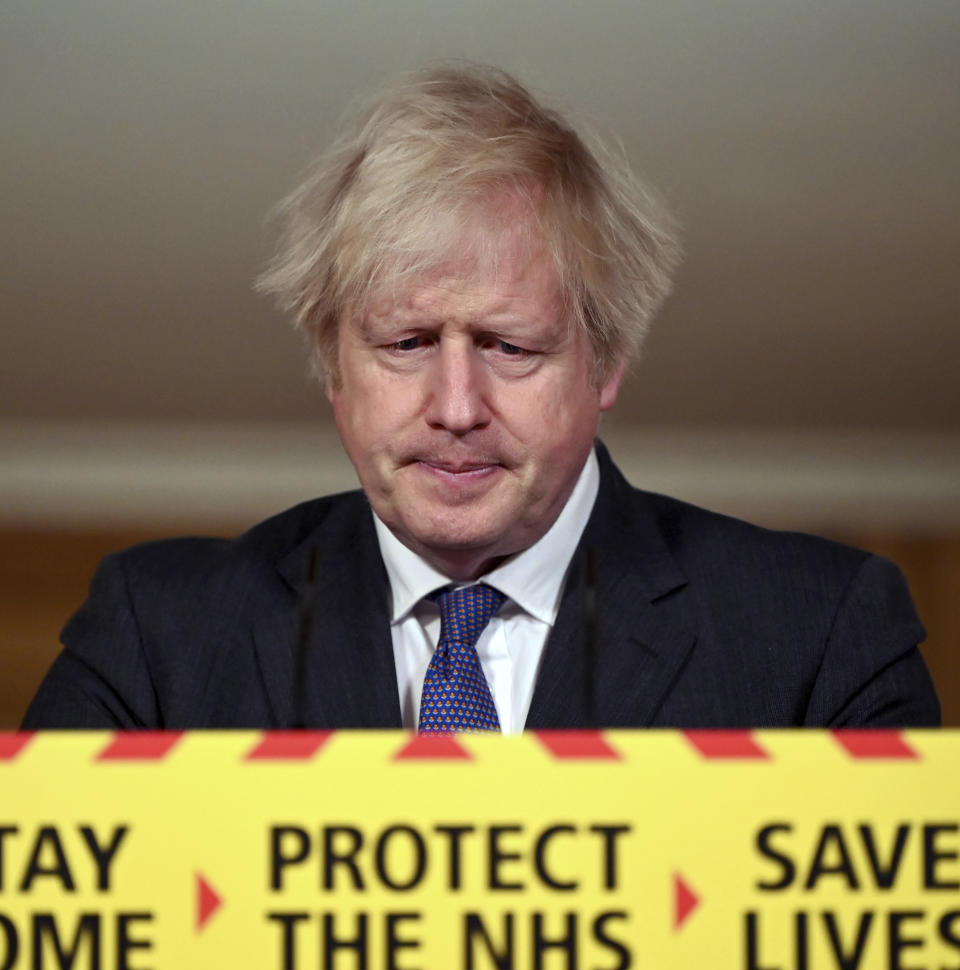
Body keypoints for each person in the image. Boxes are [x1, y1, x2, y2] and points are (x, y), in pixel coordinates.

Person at [24, 64, 939, 731]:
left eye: (509, 346)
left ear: (606, 361)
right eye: (406, 343)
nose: (456, 406)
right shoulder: (155, 642)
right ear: (331, 364)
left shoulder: (823, 636)